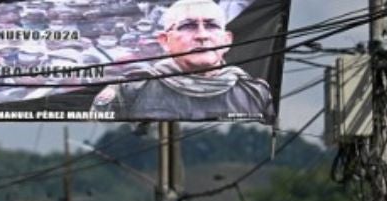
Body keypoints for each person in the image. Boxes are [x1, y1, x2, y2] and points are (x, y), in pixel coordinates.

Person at [92, 0, 274, 123]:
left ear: (227, 40)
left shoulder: (254, 93)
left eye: (212, 25)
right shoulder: (129, 91)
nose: (202, 35)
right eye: (188, 26)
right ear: (165, 41)